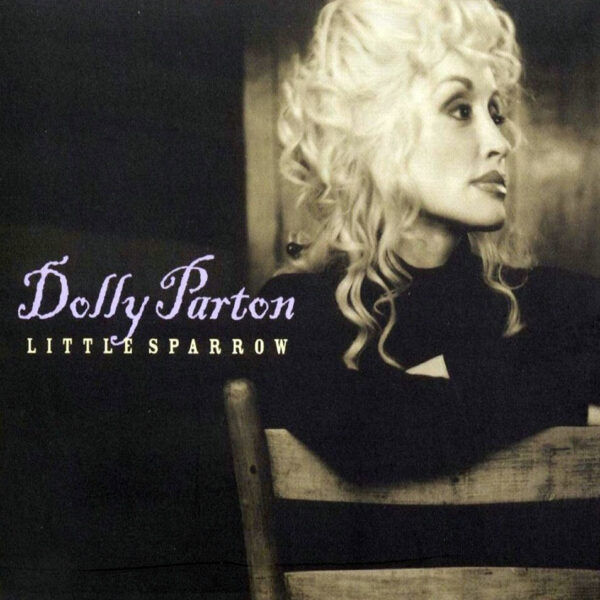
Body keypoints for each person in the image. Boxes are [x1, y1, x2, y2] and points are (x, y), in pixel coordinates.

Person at [251, 0, 600, 569]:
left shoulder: (548, 303)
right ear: (376, 133)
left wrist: (450, 385)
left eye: (495, 111)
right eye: (460, 109)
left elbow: (419, 419)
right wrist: (569, 396)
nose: (499, 141)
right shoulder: (294, 311)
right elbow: (371, 435)